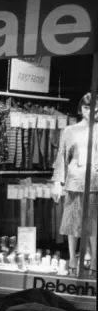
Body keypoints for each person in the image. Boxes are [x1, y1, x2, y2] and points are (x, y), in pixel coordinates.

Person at [51, 92, 98, 275]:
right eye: (86, 107)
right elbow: (61, 157)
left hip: (95, 181)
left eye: (94, 108)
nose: (90, 112)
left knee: (93, 223)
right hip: (74, 180)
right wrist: (57, 182)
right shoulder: (70, 131)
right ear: (81, 109)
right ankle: (72, 258)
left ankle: (94, 261)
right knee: (71, 221)